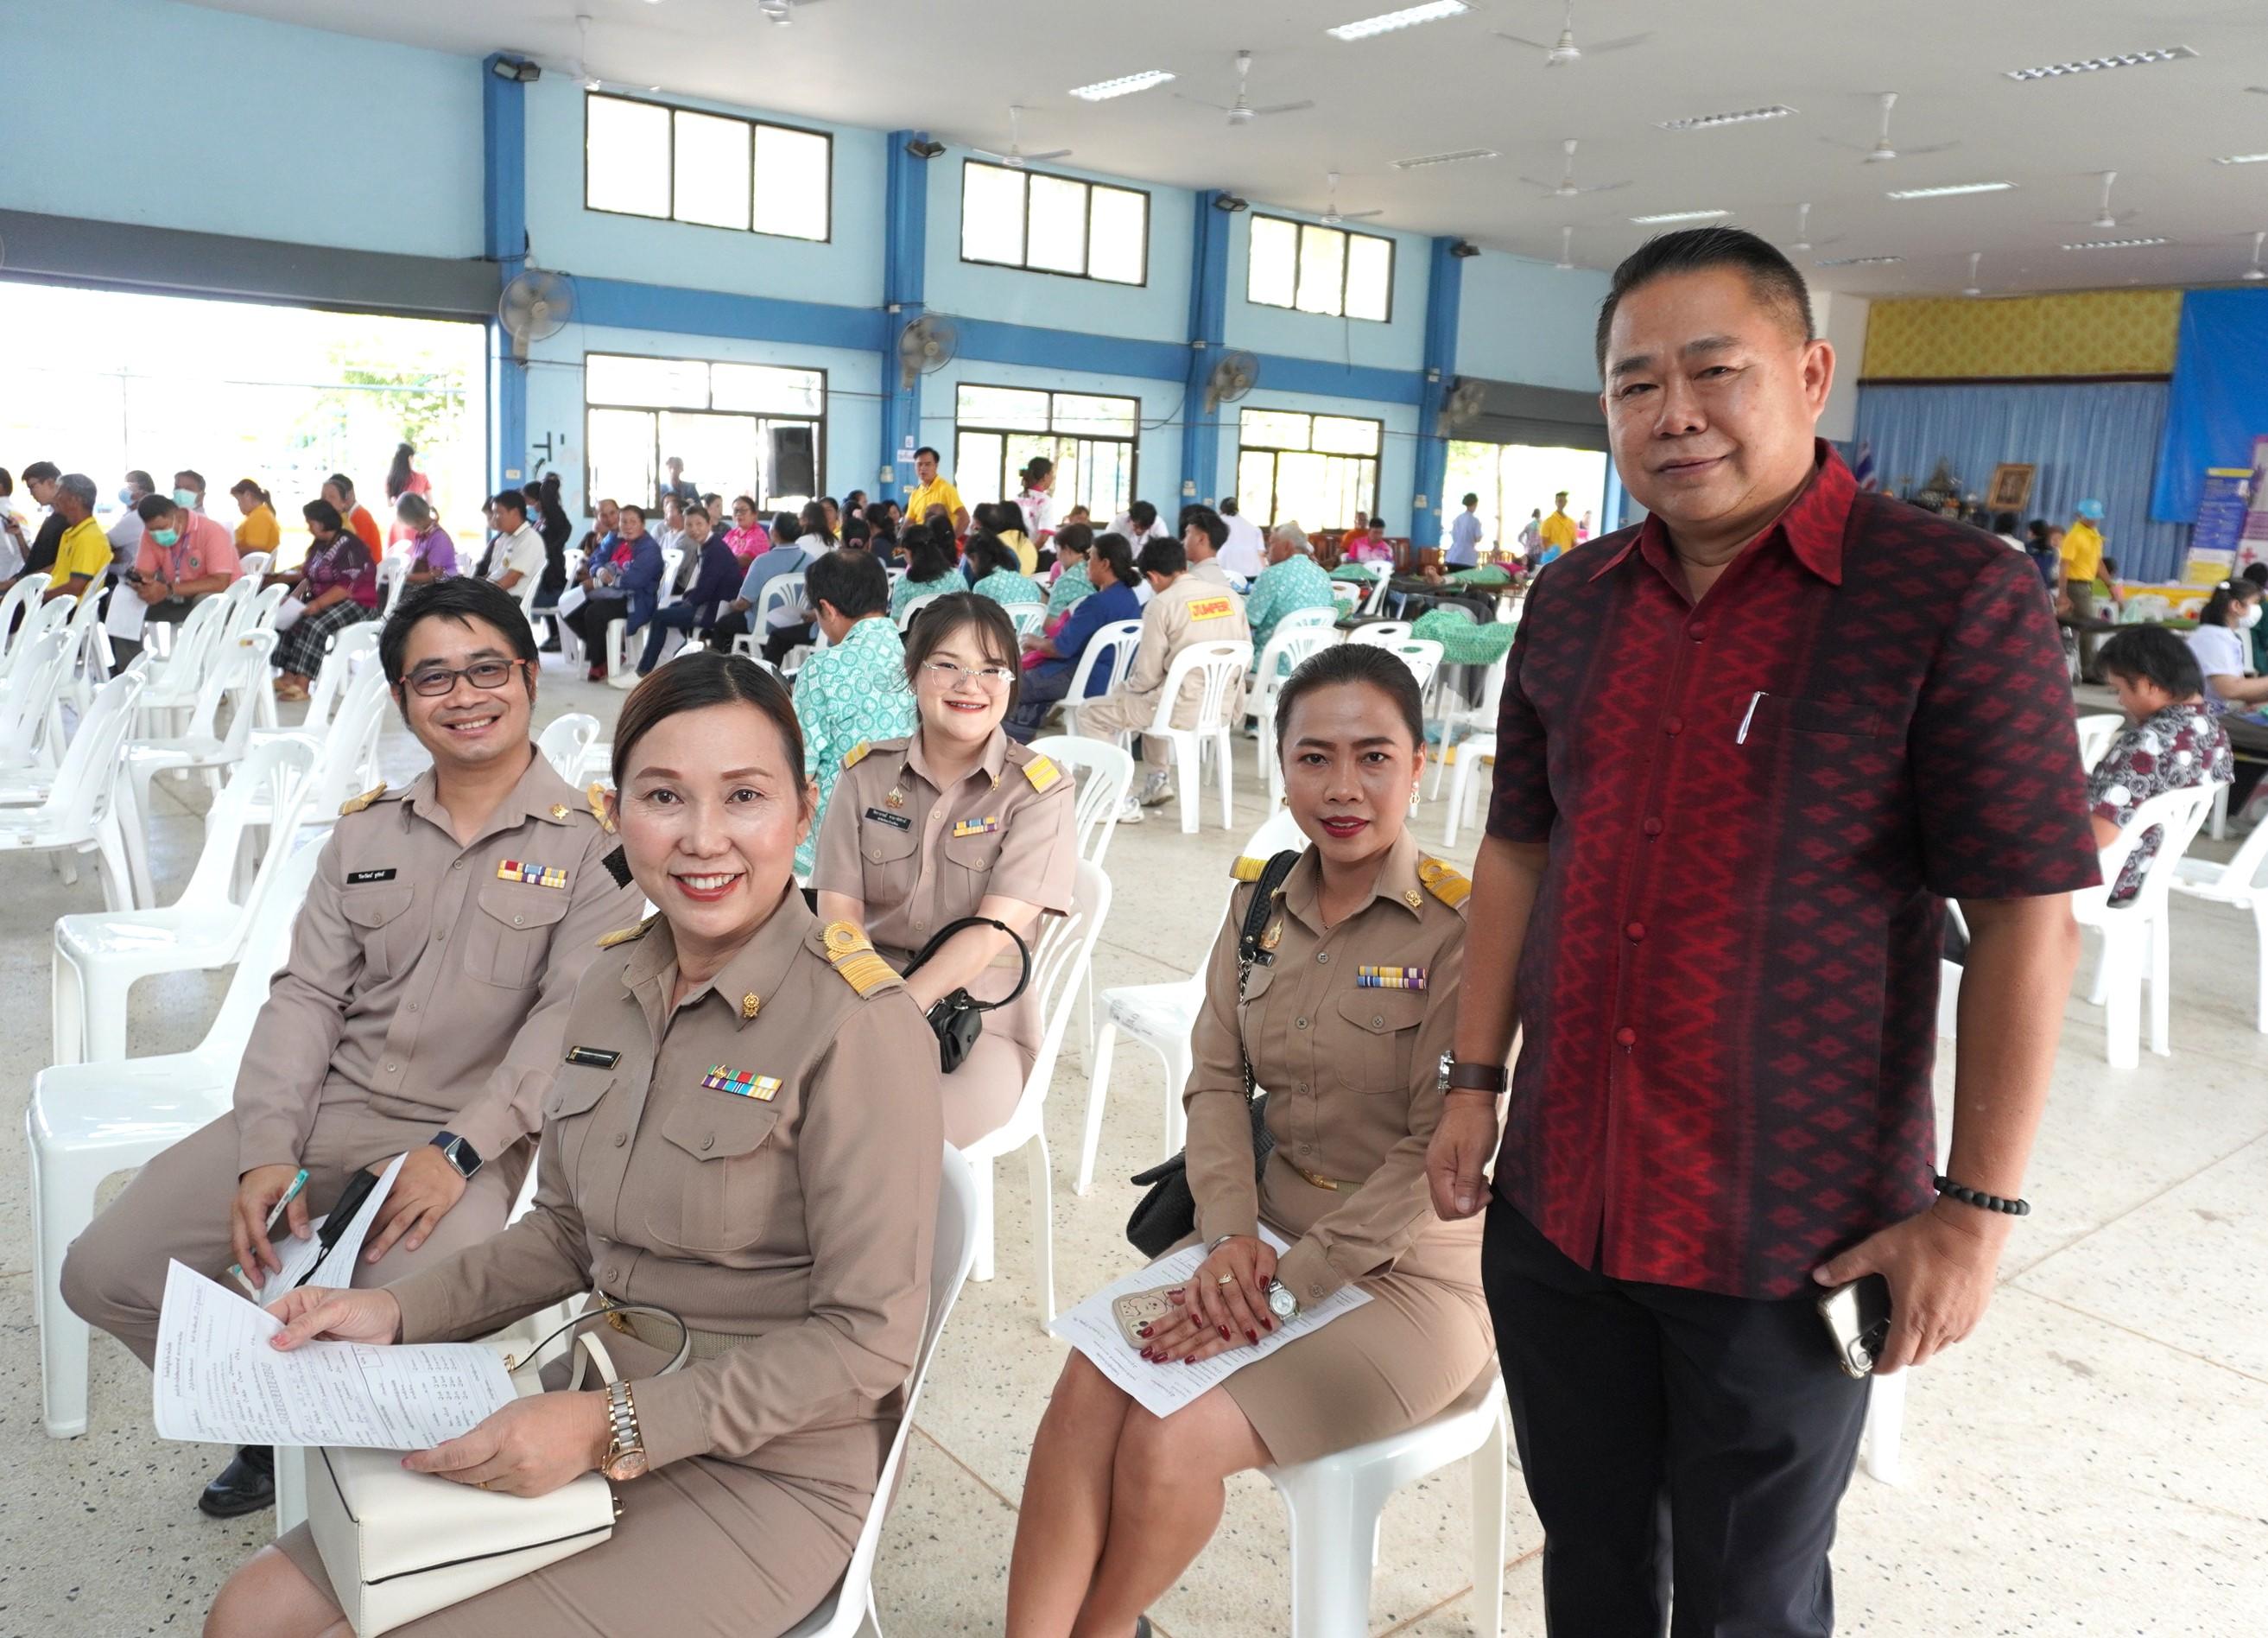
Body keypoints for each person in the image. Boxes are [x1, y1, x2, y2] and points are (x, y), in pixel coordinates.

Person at [1424, 225, 2097, 1638]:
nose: (1672, 413)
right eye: (1632, 385)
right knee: (1594, 1564)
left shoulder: (1950, 598)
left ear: (1808, 373)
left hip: (1785, 1235)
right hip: (1561, 1198)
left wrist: (1973, 1215)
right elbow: (1515, 851)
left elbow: (2032, 912)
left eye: (1712, 371)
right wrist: (1473, 1081)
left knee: (1750, 1598)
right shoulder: (1570, 599)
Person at [202, 653, 941, 1638]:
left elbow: (870, 1338)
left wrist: (609, 1430)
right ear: (615, 809)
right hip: (580, 1407)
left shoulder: (858, 1025)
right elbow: (562, 1230)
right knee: (249, 1614)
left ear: (805, 812)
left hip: (765, 1466)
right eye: (664, 796)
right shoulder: (613, 985)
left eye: (746, 797)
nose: (703, 839)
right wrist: (387, 1310)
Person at [66, 577, 638, 1521]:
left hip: (465, 1145)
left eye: (487, 669)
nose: (465, 695)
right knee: (106, 1272)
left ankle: (344, 1474)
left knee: (388, 1323)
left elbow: (567, 1026)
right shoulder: (366, 832)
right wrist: (264, 1150)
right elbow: (306, 997)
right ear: (403, 699)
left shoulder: (595, 848)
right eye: (434, 679)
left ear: (530, 677)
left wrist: (457, 1151)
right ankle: (270, 1421)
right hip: (321, 1113)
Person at [1007, 644, 1489, 1637]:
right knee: (1088, 1387)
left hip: (1412, 1281)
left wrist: (1281, 1286)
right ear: (1280, 763)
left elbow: (1430, 1152)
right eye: (1314, 758)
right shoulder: (1261, 898)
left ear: (1420, 762)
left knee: (1167, 1439)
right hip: (1255, 1235)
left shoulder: (1463, 929)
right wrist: (1229, 1236)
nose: (1342, 788)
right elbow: (1218, 1080)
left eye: (1373, 757)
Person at [814, 594, 1076, 1147]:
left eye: (990, 669)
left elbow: (988, 936)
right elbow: (839, 911)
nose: (970, 685)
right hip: (855, 994)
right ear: (913, 672)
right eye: (948, 665)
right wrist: (861, 1004)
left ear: (1010, 682)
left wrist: (891, 1014)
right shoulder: (865, 774)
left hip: (976, 1022)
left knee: (896, 1139)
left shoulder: (1037, 792)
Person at [1070, 535, 1251, 819]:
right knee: (1156, 696)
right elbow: (1246, 655)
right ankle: (1157, 780)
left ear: (1152, 577)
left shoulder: (1162, 604)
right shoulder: (1230, 597)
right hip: (1221, 707)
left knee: (1092, 712)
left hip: (1179, 708)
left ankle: (1118, 799)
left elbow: (1146, 676)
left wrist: (1123, 689)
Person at [791, 549, 917, 873]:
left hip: (841, 829)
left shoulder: (822, 668)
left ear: (827, 609)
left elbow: (802, 767)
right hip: (912, 818)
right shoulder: (916, 658)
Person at [2088, 625, 2233, 904]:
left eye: (2118, 689)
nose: (2120, 700)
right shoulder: (2215, 733)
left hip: (2104, 876)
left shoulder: (2146, 744)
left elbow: (2099, 835)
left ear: (2149, 685)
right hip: (2146, 874)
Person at [1007, 531, 1143, 743]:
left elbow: (1060, 648)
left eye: (1091, 558)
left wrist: (1033, 641)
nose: (1087, 564)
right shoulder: (1130, 598)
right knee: (1030, 689)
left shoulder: (1095, 604)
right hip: (1115, 679)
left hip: (1084, 678)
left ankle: (1009, 751)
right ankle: (1022, 748)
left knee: (1010, 685)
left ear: (1105, 563)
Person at [111, 491, 243, 667]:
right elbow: (145, 573)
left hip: (222, 602)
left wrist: (168, 589)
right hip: (176, 597)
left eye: (161, 528)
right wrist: (142, 585)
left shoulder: (212, 531)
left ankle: (201, 672)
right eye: (152, 530)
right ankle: (133, 672)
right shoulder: (150, 536)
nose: (157, 534)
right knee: (121, 600)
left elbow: (220, 582)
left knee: (206, 600)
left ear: (177, 517)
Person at [267, 499, 377, 699]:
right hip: (329, 598)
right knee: (293, 619)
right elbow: (309, 576)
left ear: (322, 522)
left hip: (359, 602)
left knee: (316, 624)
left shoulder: (350, 547)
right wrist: (294, 598)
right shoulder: (321, 545)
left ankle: (303, 684)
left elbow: (347, 587)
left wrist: (317, 604)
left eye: (311, 523)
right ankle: (288, 676)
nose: (309, 527)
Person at [565, 502, 663, 681]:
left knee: (594, 612)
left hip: (636, 599)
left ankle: (598, 663)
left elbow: (635, 581)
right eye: (623, 521)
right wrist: (600, 571)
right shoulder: (614, 538)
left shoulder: (649, 548)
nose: (627, 526)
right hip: (611, 593)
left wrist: (600, 583)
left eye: (633, 522)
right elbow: (596, 559)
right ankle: (606, 655)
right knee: (570, 608)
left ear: (642, 524)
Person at [636, 505, 737, 675]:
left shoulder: (715, 550)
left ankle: (644, 671)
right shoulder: (707, 545)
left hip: (715, 609)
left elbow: (706, 589)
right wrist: (688, 599)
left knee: (659, 617)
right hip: (710, 603)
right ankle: (672, 660)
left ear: (709, 524)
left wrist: (688, 600)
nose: (694, 529)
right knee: (672, 610)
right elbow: (704, 586)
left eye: (699, 524)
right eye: (689, 525)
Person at [1243, 522, 1339, 658]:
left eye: (1271, 544)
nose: (1266, 550)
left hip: (1272, 662)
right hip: (1312, 664)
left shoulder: (1272, 574)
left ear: (1287, 546)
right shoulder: (1322, 574)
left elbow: (1248, 623)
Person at [2183, 579, 2268, 712]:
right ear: (2236, 605)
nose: (2258, 609)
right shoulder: (2213, 639)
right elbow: (2229, 689)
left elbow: (2241, 688)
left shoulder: (2224, 637)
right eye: (2255, 603)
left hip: (2214, 711)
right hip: (2200, 715)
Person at [41, 473, 113, 604]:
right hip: (57, 603)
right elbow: (59, 570)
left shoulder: (89, 537)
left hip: (67, 608)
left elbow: (75, 588)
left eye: (59, 494)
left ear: (75, 500)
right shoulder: (71, 533)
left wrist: (39, 598)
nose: (55, 498)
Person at [2062, 498, 2109, 682]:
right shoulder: (2074, 536)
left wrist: (2110, 585)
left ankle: (2088, 667)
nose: (2094, 521)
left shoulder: (2094, 534)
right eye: (2090, 517)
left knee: (2087, 626)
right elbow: (2064, 566)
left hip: (2087, 585)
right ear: (2080, 516)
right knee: (2088, 626)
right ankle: (2089, 671)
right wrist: (2063, 595)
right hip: (2076, 585)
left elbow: (2098, 563)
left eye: (2096, 518)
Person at [0, 460, 64, 592]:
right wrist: (19, 536)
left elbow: (61, 565)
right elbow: (31, 561)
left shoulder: (66, 521)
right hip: (27, 586)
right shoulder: (51, 520)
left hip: (37, 591)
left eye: (32, 487)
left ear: (50, 483)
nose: (31, 493)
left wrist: (14, 582)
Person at [480, 489, 547, 599]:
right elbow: (492, 574)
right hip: (496, 593)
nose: (494, 518)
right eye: (494, 513)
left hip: (511, 600)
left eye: (499, 513)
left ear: (515, 513)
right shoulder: (503, 538)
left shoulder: (528, 539)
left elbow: (511, 580)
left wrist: (484, 595)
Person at [890, 524, 963, 621]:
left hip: (915, 635)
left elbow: (897, 622)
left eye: (904, 552)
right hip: (952, 633)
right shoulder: (957, 577)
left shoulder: (903, 583)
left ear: (910, 552)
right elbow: (966, 614)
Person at [967, 534, 1046, 609]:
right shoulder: (1029, 583)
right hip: (1032, 623)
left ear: (974, 557)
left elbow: (981, 619)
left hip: (1002, 623)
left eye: (969, 563)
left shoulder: (982, 586)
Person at [396, 492, 458, 587]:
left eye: (411, 525)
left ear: (417, 521)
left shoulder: (439, 539)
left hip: (443, 590)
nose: (411, 528)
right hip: (427, 587)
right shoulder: (422, 535)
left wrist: (402, 577)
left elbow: (433, 576)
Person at [904, 446, 967, 536]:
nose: (923, 468)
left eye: (928, 464)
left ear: (936, 466)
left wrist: (950, 542)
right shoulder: (916, 493)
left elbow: (964, 518)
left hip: (938, 545)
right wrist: (898, 543)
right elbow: (908, 522)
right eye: (919, 464)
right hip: (921, 544)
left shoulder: (946, 489)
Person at [1042, 523, 1096, 619]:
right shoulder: (1100, 574)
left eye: (1057, 550)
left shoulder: (1064, 582)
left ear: (1067, 549)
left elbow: (1050, 628)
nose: (1057, 556)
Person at [320, 474, 381, 556]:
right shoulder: (346, 516)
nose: (327, 502)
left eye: (332, 496)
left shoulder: (360, 517)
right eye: (324, 497)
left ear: (350, 494)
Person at [107, 469, 157, 561]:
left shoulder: (138, 516)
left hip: (125, 572)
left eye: (129, 486)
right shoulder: (135, 512)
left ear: (142, 492)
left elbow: (103, 544)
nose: (124, 490)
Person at [1216, 497, 1269, 581]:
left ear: (1221, 510)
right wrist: (1264, 576)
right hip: (1251, 574)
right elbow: (1261, 554)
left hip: (1225, 573)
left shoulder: (1216, 524)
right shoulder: (1253, 528)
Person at [230, 479, 281, 562]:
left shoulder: (260, 516)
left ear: (247, 495)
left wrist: (228, 552)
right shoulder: (259, 514)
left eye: (238, 500)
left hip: (250, 569)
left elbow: (256, 549)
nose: (238, 505)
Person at [1014, 455, 1057, 552]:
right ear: (1045, 477)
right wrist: (1030, 555)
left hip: (1020, 552)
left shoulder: (1017, 499)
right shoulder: (1045, 501)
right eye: (1052, 474)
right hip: (1041, 554)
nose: (1053, 478)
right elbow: (1043, 537)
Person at [1182, 505, 1233, 586]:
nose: (1183, 541)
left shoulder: (1192, 580)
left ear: (1201, 539)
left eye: (1188, 533)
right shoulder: (1222, 579)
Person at [721, 495, 770, 563]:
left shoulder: (758, 535)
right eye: (736, 510)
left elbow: (744, 560)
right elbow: (719, 550)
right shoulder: (731, 534)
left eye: (743, 510)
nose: (738, 514)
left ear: (754, 514)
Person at [1447, 492, 1485, 569]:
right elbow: (1478, 538)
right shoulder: (1475, 521)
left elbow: (1453, 535)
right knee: (1464, 580)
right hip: (1467, 559)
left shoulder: (1458, 519)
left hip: (1452, 557)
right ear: (1475, 504)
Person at [1536, 492, 1578, 562]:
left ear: (1566, 502)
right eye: (1560, 501)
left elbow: (1574, 543)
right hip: (1553, 561)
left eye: (1564, 501)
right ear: (1556, 502)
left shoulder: (1571, 523)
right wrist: (1551, 557)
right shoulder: (1548, 522)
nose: (1562, 503)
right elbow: (1544, 543)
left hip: (1567, 560)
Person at [384, 441, 428, 505]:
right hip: (418, 513)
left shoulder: (390, 479)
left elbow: (389, 504)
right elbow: (430, 502)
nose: (414, 460)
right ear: (410, 458)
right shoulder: (422, 477)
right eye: (413, 458)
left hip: (400, 514)